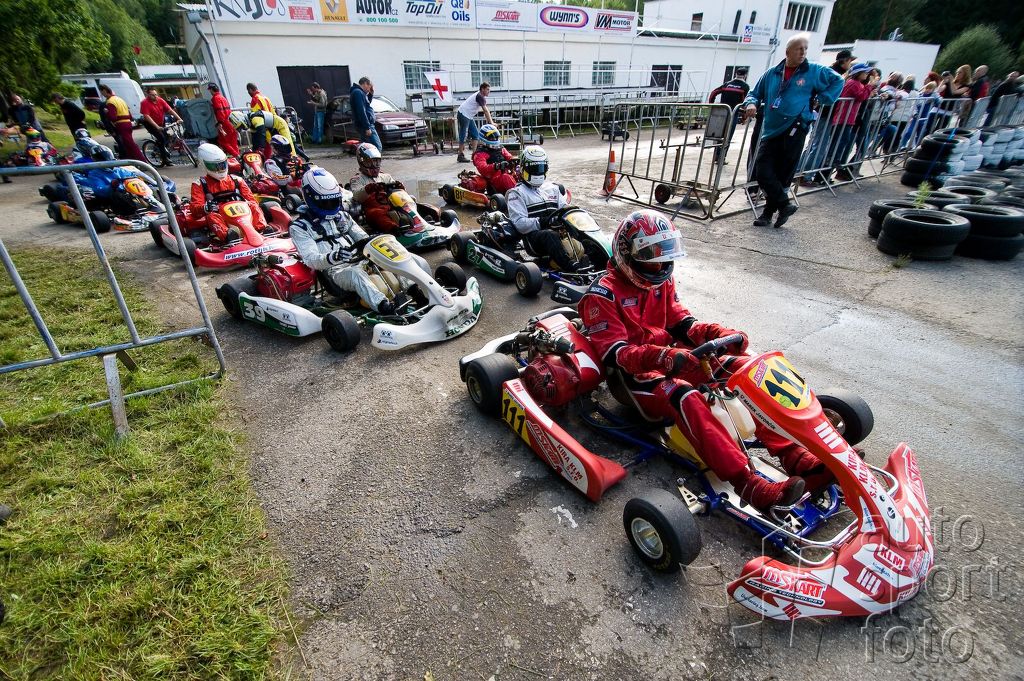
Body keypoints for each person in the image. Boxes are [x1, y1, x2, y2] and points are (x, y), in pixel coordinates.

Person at [580, 210, 819, 508]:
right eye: (653, 255)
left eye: (664, 253)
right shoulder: (601, 295)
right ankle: (749, 485)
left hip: (675, 358)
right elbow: (616, 355)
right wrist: (665, 357)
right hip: (635, 380)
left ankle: (795, 455)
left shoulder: (661, 281)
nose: (661, 264)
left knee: (746, 372)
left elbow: (682, 324)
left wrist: (717, 334)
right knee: (685, 394)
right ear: (629, 254)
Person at [742, 33, 843, 227]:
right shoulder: (772, 73)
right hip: (771, 129)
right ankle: (784, 205)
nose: (803, 52)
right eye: (799, 49)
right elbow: (754, 93)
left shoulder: (814, 70)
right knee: (762, 171)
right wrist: (751, 103)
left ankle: (768, 214)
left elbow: (838, 80)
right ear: (788, 52)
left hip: (796, 127)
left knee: (782, 174)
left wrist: (822, 98)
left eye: (805, 49)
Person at [290, 167, 420, 315]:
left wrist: (375, 243)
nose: (331, 206)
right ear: (311, 198)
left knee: (390, 259)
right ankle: (385, 307)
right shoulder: (300, 228)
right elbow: (311, 260)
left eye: (334, 201)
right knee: (355, 274)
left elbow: (363, 238)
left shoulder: (342, 217)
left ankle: (416, 291)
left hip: (360, 259)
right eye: (326, 202)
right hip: (336, 271)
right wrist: (334, 256)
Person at [506, 145, 581, 272]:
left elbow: (564, 209)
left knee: (578, 226)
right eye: (534, 168)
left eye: (541, 168)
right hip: (534, 239)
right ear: (524, 168)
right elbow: (520, 224)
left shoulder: (553, 188)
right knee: (549, 235)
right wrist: (543, 221)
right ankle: (571, 267)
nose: (538, 171)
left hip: (557, 232)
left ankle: (597, 257)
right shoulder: (516, 193)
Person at [191, 143, 267, 243]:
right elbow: (195, 208)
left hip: (242, 213)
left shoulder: (237, 180)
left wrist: (247, 202)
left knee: (253, 205)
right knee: (211, 215)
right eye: (215, 167)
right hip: (220, 216)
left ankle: (261, 229)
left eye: (222, 165)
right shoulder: (200, 184)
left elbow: (251, 199)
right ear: (204, 165)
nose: (220, 169)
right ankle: (228, 236)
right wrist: (205, 208)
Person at [831, 63, 877, 181]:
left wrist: (869, 88)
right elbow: (861, 96)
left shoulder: (858, 84)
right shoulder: (853, 83)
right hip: (843, 117)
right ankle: (833, 159)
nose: (867, 75)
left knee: (845, 140)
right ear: (858, 73)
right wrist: (871, 85)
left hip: (849, 118)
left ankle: (835, 161)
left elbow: (863, 95)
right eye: (865, 72)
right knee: (841, 140)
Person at [348, 143, 408, 232]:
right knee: (377, 213)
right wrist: (369, 188)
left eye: (376, 162)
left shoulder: (386, 177)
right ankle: (394, 230)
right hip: (373, 209)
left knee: (410, 201)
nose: (374, 165)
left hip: (391, 205)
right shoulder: (357, 180)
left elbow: (399, 194)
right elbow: (356, 196)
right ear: (362, 162)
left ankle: (421, 221)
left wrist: (400, 187)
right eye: (370, 162)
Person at [708, 70, 750, 163]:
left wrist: (711, 105)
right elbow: (745, 103)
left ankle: (716, 156)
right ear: (745, 75)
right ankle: (721, 158)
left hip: (722, 113)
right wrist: (744, 117)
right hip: (733, 114)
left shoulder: (727, 84)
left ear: (736, 74)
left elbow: (713, 93)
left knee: (720, 135)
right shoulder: (745, 87)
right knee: (728, 137)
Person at [99, 84, 145, 162]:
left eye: (101, 92)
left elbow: (113, 117)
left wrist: (107, 112)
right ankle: (133, 161)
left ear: (104, 91)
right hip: (128, 123)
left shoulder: (110, 102)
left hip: (121, 124)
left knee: (130, 144)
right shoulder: (120, 99)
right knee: (128, 145)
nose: (102, 94)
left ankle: (142, 161)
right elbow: (130, 115)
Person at [140, 88, 184, 167]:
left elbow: (170, 110)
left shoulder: (160, 100)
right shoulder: (144, 103)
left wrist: (179, 118)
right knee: (161, 138)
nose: (155, 96)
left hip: (161, 122)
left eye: (156, 94)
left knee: (166, 137)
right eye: (152, 95)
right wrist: (156, 127)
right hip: (150, 124)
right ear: (148, 95)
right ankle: (165, 159)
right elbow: (147, 116)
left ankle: (161, 147)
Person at [472, 124, 517, 194]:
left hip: (507, 174)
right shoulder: (479, 154)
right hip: (493, 180)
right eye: (492, 138)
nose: (495, 139)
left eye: (496, 137)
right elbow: (483, 169)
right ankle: (519, 196)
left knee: (520, 172)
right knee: (506, 177)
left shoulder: (501, 148)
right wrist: (497, 166)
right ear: (484, 138)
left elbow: (510, 157)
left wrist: (514, 162)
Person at [456, 82, 494, 163]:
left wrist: (490, 121)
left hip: (468, 115)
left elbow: (485, 111)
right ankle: (460, 155)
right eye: (487, 89)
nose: (489, 91)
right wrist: (491, 122)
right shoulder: (479, 96)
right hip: (463, 113)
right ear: (482, 89)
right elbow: (486, 111)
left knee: (475, 135)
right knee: (463, 134)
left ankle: (474, 156)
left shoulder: (481, 96)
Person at [207, 83, 240, 157]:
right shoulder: (223, 98)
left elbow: (220, 111)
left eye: (210, 90)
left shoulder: (215, 98)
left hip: (224, 123)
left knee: (222, 141)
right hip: (231, 121)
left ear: (211, 90)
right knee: (233, 141)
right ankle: (238, 158)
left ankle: (235, 155)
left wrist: (220, 123)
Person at [350, 77, 380, 151]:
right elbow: (361, 111)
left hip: (364, 125)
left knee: (368, 148)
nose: (370, 89)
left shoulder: (360, 93)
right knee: (377, 147)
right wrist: (367, 127)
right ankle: (374, 159)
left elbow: (366, 105)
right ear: (365, 84)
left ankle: (367, 159)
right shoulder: (358, 92)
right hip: (365, 125)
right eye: (370, 86)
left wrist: (370, 94)